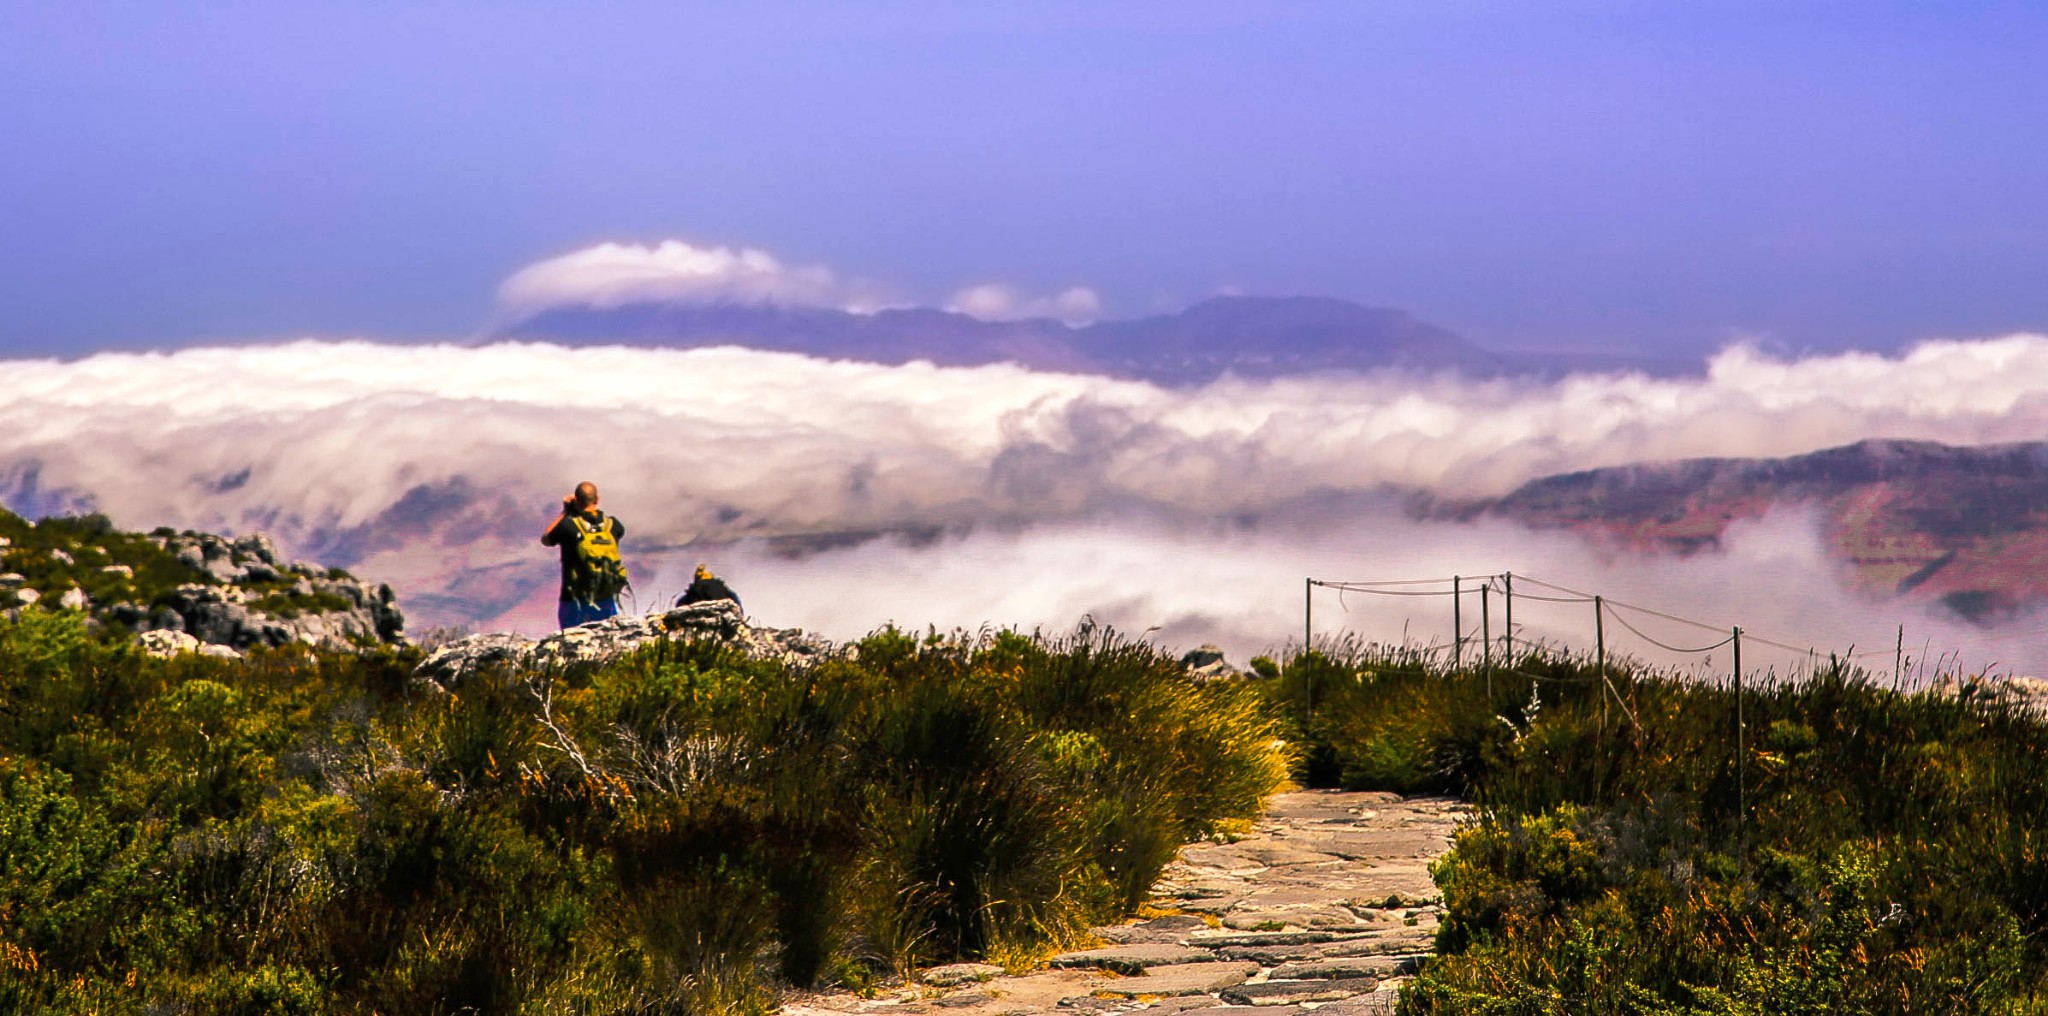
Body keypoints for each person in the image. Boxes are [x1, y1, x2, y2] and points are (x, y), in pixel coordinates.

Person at [540, 481, 629, 629]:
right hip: (604, 597)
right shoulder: (614, 526)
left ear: (576, 500)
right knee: (606, 638)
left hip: (574, 599)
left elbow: (546, 539)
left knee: (571, 641)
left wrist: (565, 512)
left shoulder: (568, 526)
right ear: (597, 499)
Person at [676, 563, 742, 610]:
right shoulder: (721, 587)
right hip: (723, 611)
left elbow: (679, 604)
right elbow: (736, 600)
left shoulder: (695, 588)